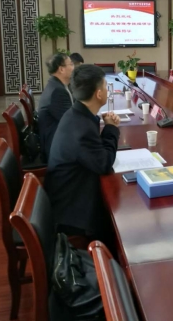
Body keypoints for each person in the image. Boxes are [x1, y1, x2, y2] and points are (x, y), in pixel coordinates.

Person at [45, 65, 120, 247]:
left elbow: (96, 152)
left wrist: (107, 128)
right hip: (72, 211)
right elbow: (104, 163)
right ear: (99, 94)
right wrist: (111, 129)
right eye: (105, 86)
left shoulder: (77, 114)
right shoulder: (81, 128)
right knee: (117, 222)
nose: (107, 90)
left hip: (69, 193)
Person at [38, 53, 75, 160]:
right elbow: (72, 122)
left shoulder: (56, 85)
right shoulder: (57, 92)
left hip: (57, 138)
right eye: (71, 64)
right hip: (56, 146)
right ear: (61, 69)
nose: (74, 67)